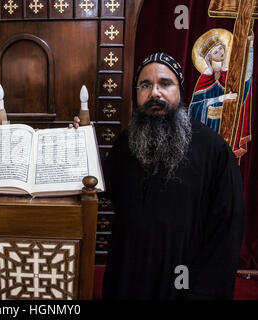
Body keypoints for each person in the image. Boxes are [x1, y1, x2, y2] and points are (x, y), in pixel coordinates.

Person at [71, 53, 245, 299]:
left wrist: (201, 286)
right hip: (131, 269)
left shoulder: (213, 149)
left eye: (165, 84)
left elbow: (228, 224)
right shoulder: (126, 142)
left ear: (179, 91)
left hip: (183, 273)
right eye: (145, 85)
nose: (155, 93)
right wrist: (79, 145)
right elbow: (99, 187)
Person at [188, 31, 253, 159]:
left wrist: (250, 46)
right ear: (209, 57)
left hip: (226, 124)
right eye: (216, 51)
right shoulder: (204, 79)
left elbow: (245, 80)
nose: (221, 52)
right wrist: (221, 98)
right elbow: (194, 107)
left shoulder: (229, 76)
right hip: (208, 126)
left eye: (221, 48)